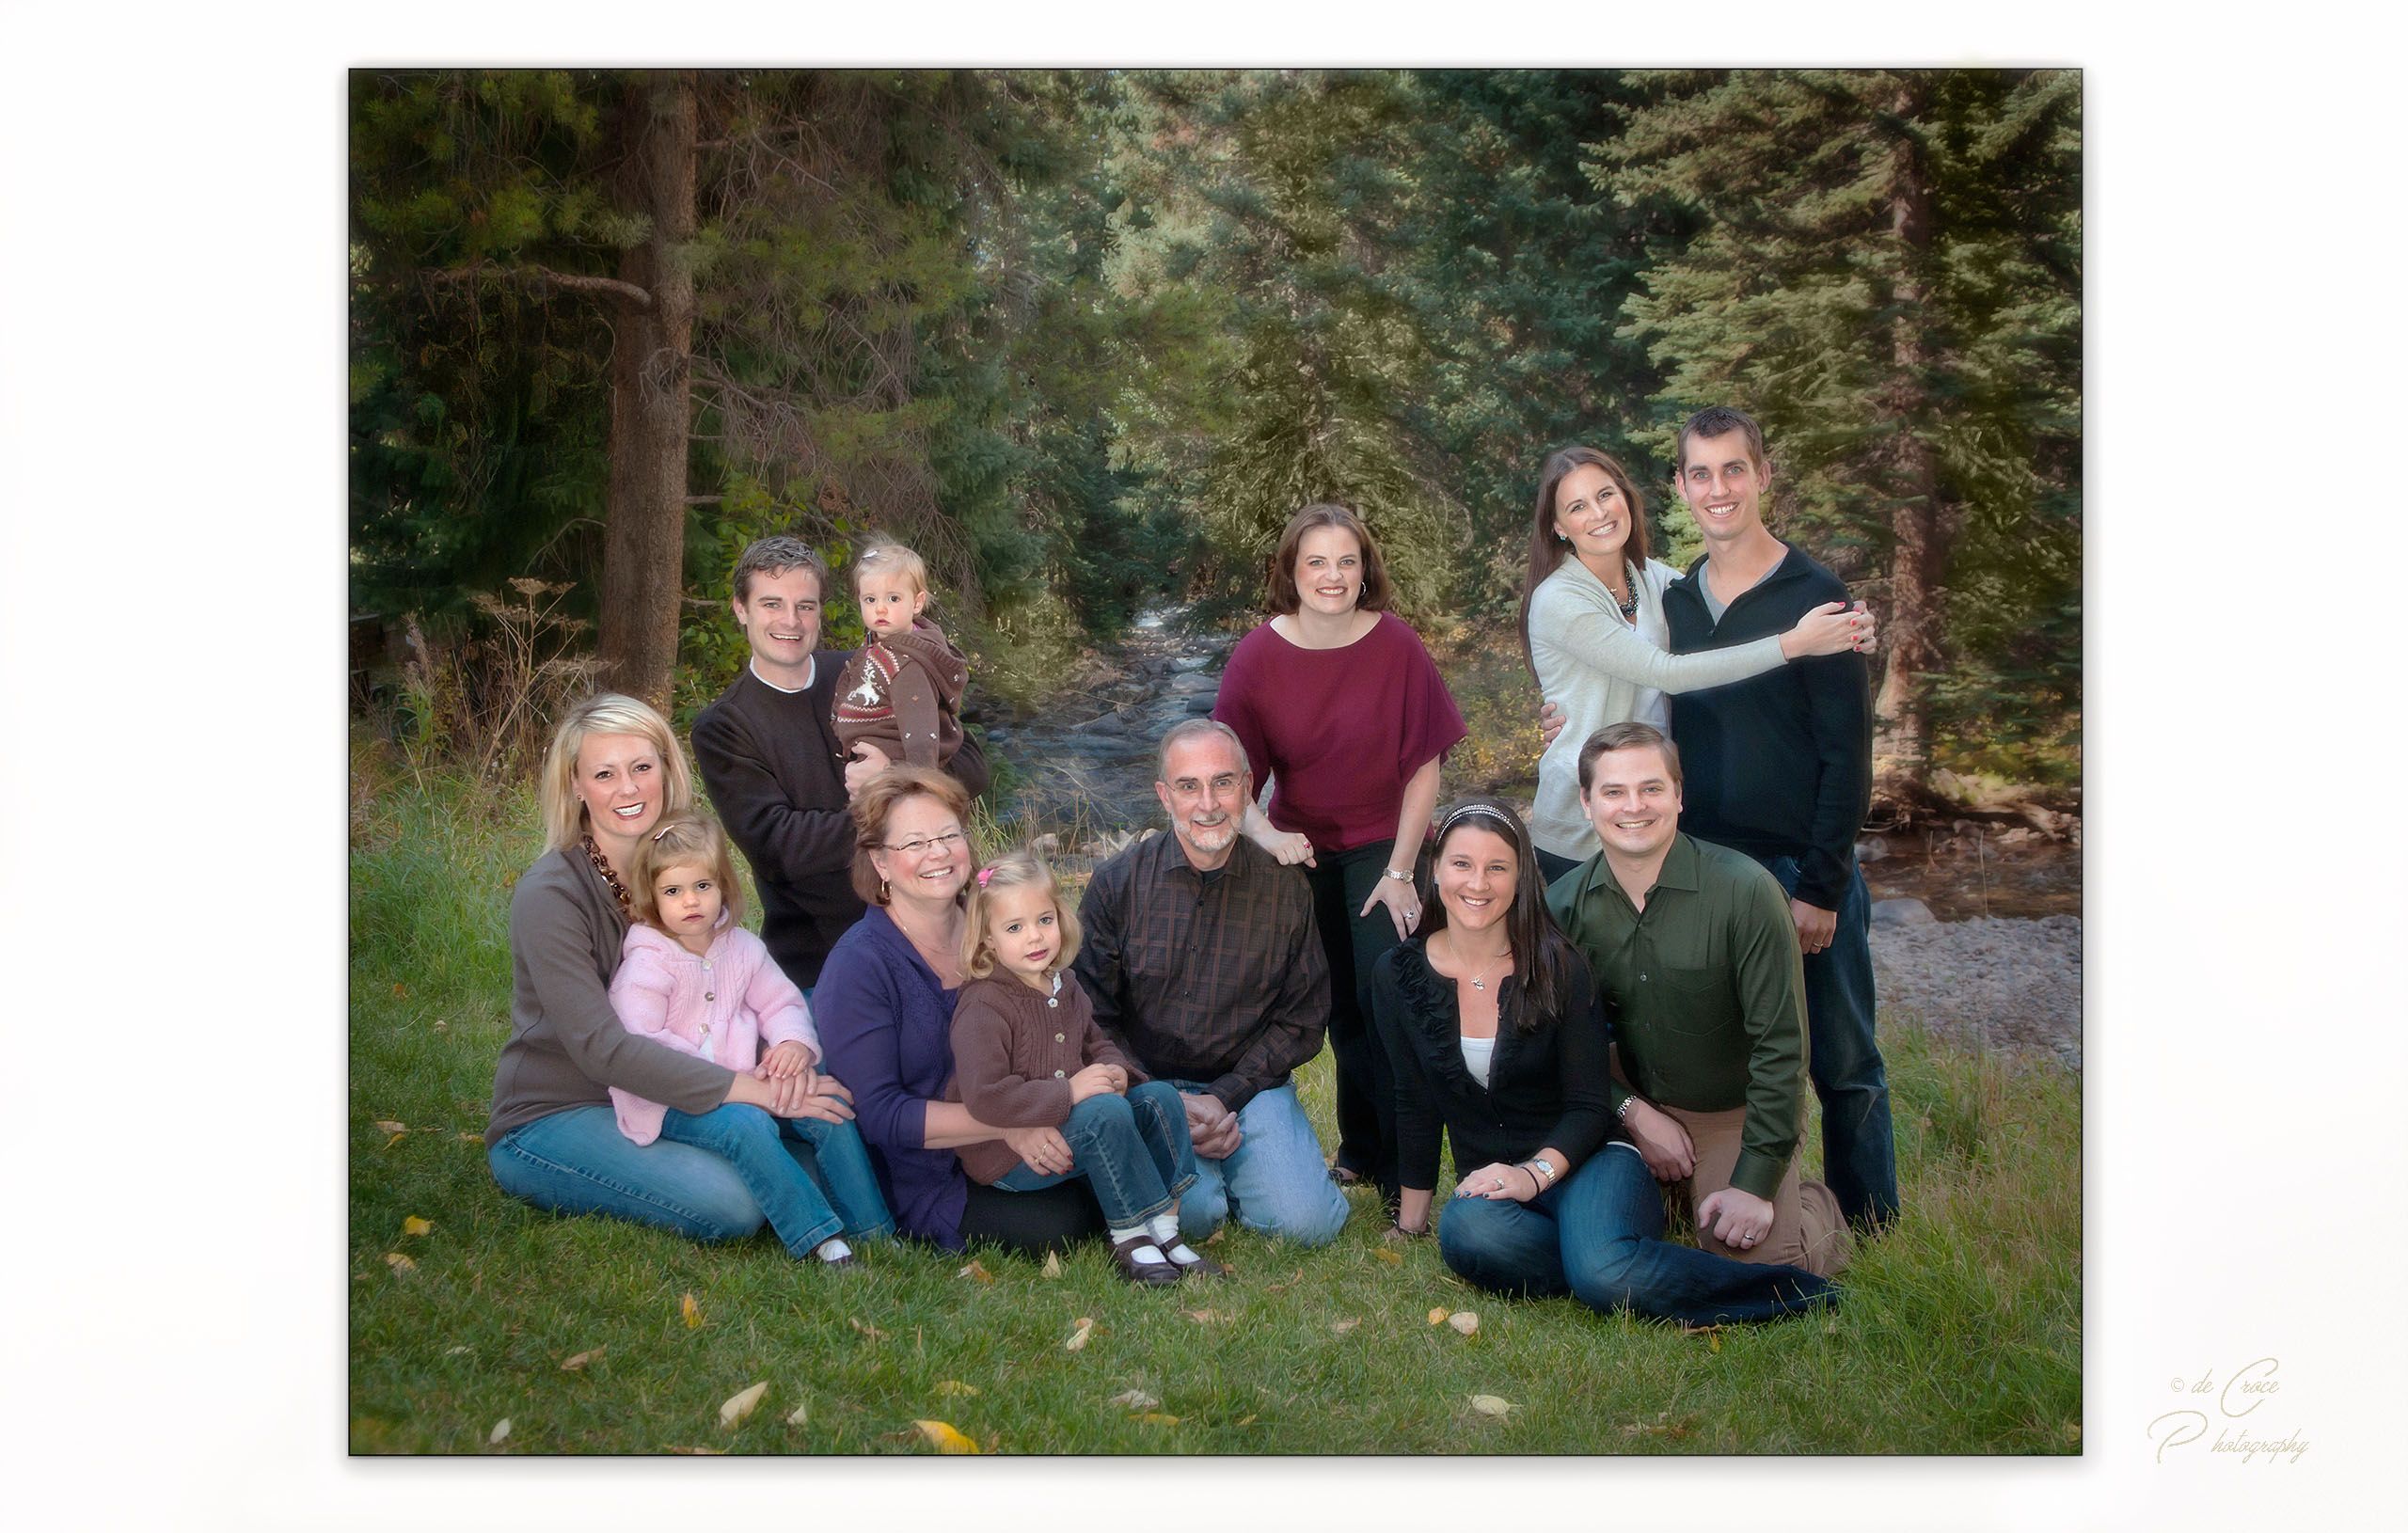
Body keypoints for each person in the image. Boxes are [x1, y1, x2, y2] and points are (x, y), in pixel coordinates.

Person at [485, 694, 866, 1245]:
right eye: (604, 774)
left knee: (807, 1046)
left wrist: (786, 1054)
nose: (629, 788)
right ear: (575, 785)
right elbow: (601, 1050)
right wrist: (751, 1090)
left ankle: (845, 1180)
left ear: (666, 770)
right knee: (733, 1203)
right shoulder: (551, 896)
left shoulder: (682, 870)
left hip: (671, 1092)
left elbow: (731, 985)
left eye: (642, 767)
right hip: (562, 1111)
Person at [1659, 405, 1898, 1232]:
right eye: (1701, 473)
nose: (1718, 488)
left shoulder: (1817, 597)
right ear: (1681, 487)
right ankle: (1734, 1209)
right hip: (1704, 868)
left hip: (1800, 867)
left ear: (1762, 476)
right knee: (1730, 1060)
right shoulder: (1675, 600)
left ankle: (1871, 1223)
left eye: (1734, 469)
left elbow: (1849, 757)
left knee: (1844, 1060)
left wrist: (1823, 886)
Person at [1545, 722, 1846, 1322]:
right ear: (1586, 803)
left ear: (1679, 796)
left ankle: (1812, 1208)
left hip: (1729, 1109)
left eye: (1651, 788)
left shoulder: (1746, 891)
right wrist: (1630, 1111)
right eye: (1613, 792)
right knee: (1580, 1245)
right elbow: (1551, 1044)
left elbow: (1781, 1047)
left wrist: (1756, 1183)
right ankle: (1678, 1196)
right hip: (1624, 1106)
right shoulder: (1564, 905)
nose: (1634, 806)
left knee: (1756, 1267)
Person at [1212, 503, 1466, 1210]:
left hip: (1388, 844)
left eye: (1347, 561)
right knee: (1337, 1010)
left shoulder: (1396, 645)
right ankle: (1359, 1150)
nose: (1333, 575)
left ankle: (1404, 1175)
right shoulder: (1258, 656)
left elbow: (1424, 766)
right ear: (1291, 572)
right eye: (1316, 562)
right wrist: (1266, 837)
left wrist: (1402, 872)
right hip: (1301, 850)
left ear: (1365, 571)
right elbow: (1229, 771)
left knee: (1388, 1001)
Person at [1520, 444, 1874, 885]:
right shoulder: (1560, 598)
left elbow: (1725, 617)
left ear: (1626, 496)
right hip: (1583, 825)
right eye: (1578, 506)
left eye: (1605, 494)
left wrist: (1849, 625)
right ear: (1558, 527)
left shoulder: (1655, 579)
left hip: (1655, 821)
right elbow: (1668, 672)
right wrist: (1796, 642)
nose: (1599, 513)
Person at [1074, 719, 1352, 1249]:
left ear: (1247, 788)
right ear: (1165, 796)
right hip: (1149, 1084)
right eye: (1189, 786)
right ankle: (1224, 1180)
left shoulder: (1285, 888)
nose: (1208, 804)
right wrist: (1162, 1100)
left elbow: (1301, 1019)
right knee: (1193, 1217)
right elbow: (1093, 1016)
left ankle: (1254, 1170)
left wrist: (1225, 1097)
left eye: (1223, 783)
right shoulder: (1117, 883)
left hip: (1250, 1087)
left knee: (1308, 1226)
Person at [812, 766, 1103, 1253]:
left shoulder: (1004, 927)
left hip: (1039, 1116)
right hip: (931, 1168)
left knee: (1121, 1156)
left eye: (949, 835)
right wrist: (1007, 1124)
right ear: (880, 861)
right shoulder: (859, 965)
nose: (939, 853)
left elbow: (1069, 1021)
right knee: (1066, 1221)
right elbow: (880, 1114)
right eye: (915, 843)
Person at [691, 534, 992, 994]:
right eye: (771, 604)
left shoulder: (867, 669)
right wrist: (902, 807)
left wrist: (894, 777)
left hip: (938, 943)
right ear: (741, 609)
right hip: (824, 963)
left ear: (821, 612)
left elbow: (970, 764)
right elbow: (781, 848)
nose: (790, 621)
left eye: (805, 606)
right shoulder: (724, 726)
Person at [604, 812, 893, 1266]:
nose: (691, 901)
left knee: (827, 1106)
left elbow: (781, 1003)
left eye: (702, 885)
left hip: (746, 1084)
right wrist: (739, 1088)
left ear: (723, 886)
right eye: (673, 891)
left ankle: (874, 1231)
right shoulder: (646, 964)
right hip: (667, 1101)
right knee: (746, 1125)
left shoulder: (743, 949)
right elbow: (645, 1046)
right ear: (651, 897)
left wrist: (792, 1044)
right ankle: (820, 1240)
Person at [1368, 798, 1616, 1296]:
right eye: (1462, 864)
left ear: (1521, 878)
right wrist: (1412, 1224)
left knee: (1603, 1273)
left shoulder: (1560, 967)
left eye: (1497, 868)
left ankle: (1778, 1293)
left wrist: (1533, 1175)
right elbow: (1414, 1100)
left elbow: (1590, 1107)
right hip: (1492, 1190)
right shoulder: (1398, 974)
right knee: (1465, 1231)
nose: (1478, 884)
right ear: (1436, 870)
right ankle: (1598, 1253)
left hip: (1585, 1164)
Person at [948, 850, 1222, 1285]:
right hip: (1011, 1158)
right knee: (1103, 1113)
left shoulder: (1066, 985)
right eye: (1014, 928)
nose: (1035, 937)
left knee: (1159, 1098)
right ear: (988, 940)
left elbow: (1098, 1043)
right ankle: (1129, 1238)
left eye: (1044, 920)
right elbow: (985, 1097)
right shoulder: (984, 1004)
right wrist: (1070, 1091)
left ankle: (1165, 1230)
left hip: (1073, 1128)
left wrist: (1116, 1070)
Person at [832, 539, 971, 773]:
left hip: (896, 771)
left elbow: (921, 738)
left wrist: (914, 782)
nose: (880, 608)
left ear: (917, 603)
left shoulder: (906, 664)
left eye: (893, 598)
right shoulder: (878, 645)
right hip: (871, 760)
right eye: (870, 599)